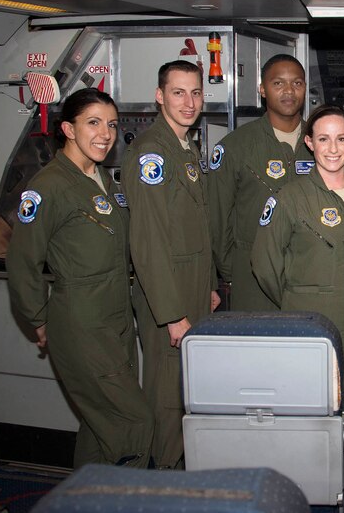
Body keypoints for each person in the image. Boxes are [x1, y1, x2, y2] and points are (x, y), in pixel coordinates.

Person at [7, 88, 154, 468]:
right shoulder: (49, 186)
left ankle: (82, 493)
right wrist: (38, 318)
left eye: (112, 125)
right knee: (134, 423)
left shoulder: (103, 179)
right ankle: (129, 496)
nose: (106, 134)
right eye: (93, 123)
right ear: (68, 129)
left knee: (98, 427)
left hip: (116, 316)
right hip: (81, 321)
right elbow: (22, 261)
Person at [251, 105, 344, 388]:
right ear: (309, 142)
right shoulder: (290, 198)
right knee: (310, 398)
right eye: (323, 139)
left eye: (341, 138)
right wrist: (298, 300)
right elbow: (265, 264)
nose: (333, 148)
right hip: (309, 322)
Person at [122, 60, 220, 469]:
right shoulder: (152, 153)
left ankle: (180, 471)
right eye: (178, 93)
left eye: (195, 93)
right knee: (167, 394)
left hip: (192, 287)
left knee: (188, 388)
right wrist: (172, 315)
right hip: (169, 296)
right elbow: (148, 242)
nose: (189, 102)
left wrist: (209, 284)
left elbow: (196, 225)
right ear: (159, 96)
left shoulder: (185, 147)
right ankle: (162, 475)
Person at [208, 54, 313, 310]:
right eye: (278, 83)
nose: (289, 91)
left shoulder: (322, 144)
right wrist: (234, 270)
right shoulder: (236, 147)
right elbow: (217, 218)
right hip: (252, 277)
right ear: (262, 90)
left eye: (297, 83)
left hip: (310, 275)